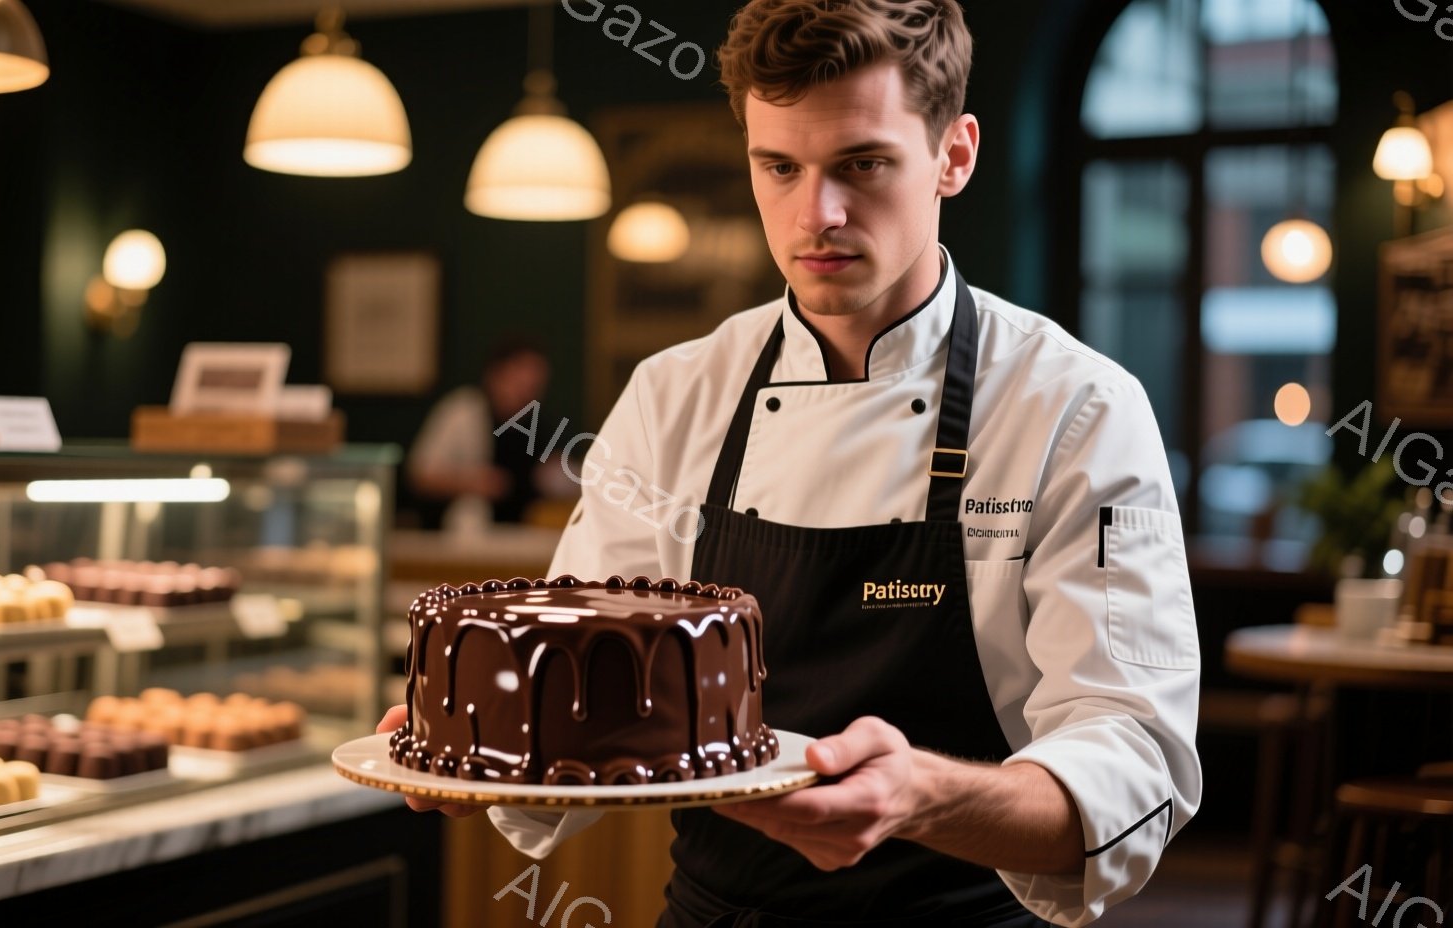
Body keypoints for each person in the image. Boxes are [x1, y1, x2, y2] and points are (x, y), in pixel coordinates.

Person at [378, 1, 1201, 924]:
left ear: (954, 156)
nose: (819, 215)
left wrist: (922, 796)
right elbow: (584, 693)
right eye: (781, 167)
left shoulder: (1075, 407)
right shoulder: (674, 395)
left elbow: (1133, 762)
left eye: (863, 164)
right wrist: (481, 748)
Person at [406, 337, 551, 528]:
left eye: (533, 386)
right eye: (519, 382)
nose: (525, 392)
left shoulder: (536, 425)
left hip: (515, 539)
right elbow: (420, 475)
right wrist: (471, 482)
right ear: (495, 376)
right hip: (454, 537)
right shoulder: (462, 412)